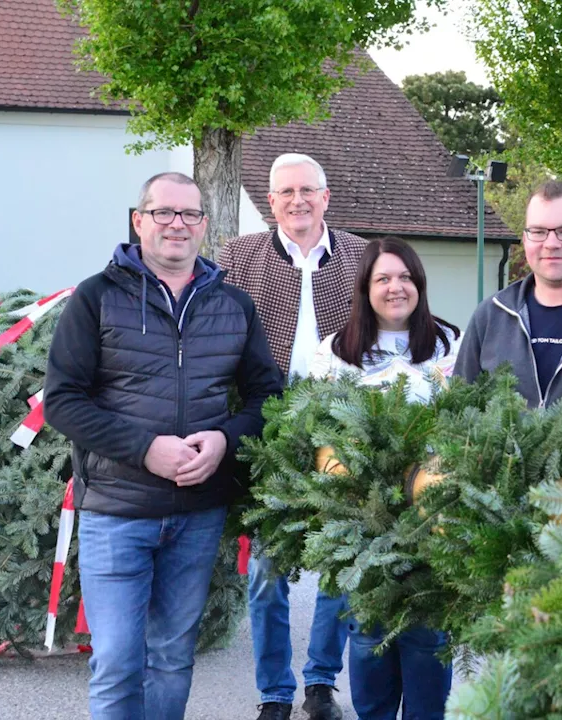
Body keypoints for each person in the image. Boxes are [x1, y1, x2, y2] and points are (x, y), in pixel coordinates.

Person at [45, 171, 282, 720]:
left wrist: (225, 440)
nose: (177, 224)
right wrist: (145, 447)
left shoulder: (234, 306)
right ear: (139, 220)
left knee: (173, 658)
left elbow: (267, 396)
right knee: (118, 662)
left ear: (204, 225)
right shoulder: (96, 298)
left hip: (197, 514)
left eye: (189, 214)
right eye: (163, 212)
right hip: (117, 510)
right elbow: (63, 401)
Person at [217, 153, 366, 720]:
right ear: (272, 201)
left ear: (326, 197)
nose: (298, 200)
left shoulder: (360, 257)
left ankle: (322, 682)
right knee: (267, 570)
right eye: (286, 192)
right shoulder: (240, 256)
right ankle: (274, 692)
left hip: (340, 428)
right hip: (268, 428)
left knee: (340, 559)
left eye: (308, 190)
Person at [308, 237, 458, 720]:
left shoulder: (448, 344)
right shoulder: (335, 352)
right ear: (365, 288)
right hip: (364, 522)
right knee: (369, 631)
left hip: (431, 521)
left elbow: (466, 427)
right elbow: (317, 435)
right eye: (383, 278)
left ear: (419, 285)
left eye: (405, 277)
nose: (396, 287)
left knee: (427, 634)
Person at [454, 180, 562, 409]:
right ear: (525, 240)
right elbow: (458, 409)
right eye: (538, 232)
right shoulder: (491, 315)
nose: (551, 243)